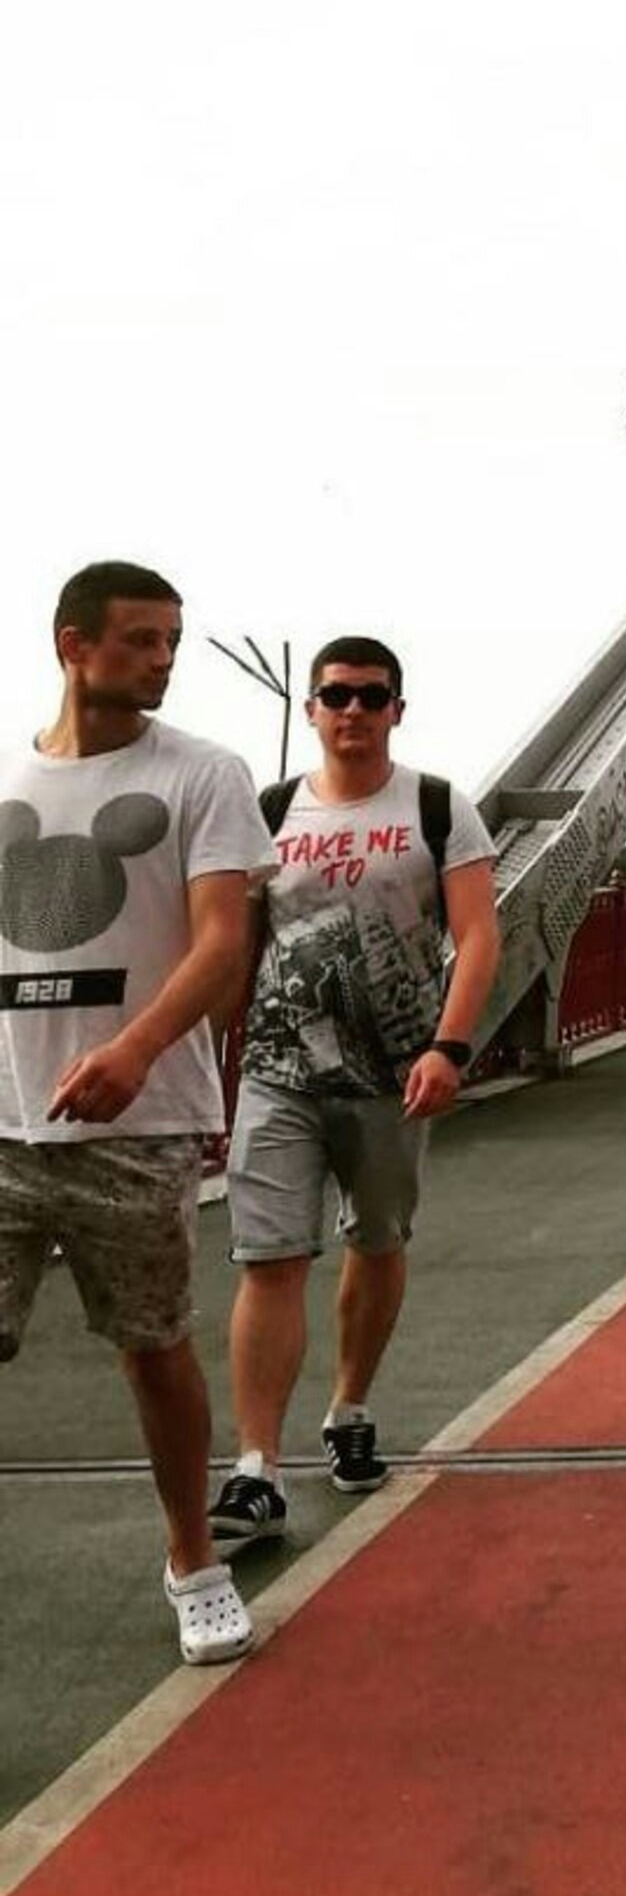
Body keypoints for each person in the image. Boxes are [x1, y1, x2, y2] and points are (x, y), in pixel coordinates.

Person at [1, 561, 274, 1664]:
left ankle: (191, 1558)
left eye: (172, 639)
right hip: (6, 1120)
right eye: (141, 639)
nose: (164, 658)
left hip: (141, 1119)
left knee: (153, 1347)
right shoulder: (10, 778)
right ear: (75, 645)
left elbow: (224, 941)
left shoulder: (205, 774)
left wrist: (134, 1047)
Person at [212, 635, 500, 1542]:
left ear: (396, 709)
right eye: (335, 694)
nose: (353, 709)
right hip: (279, 1067)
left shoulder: (437, 806)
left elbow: (479, 934)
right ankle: (256, 1465)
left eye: (371, 695)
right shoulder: (267, 812)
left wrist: (450, 1046)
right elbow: (235, 943)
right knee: (270, 1257)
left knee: (377, 1241)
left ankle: (348, 1408)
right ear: (311, 707)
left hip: (393, 1074)